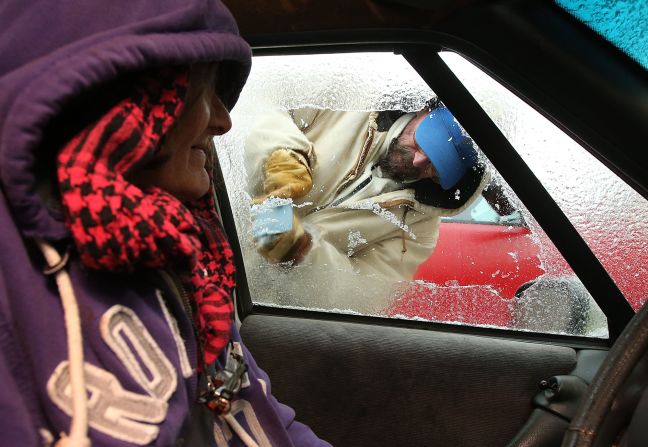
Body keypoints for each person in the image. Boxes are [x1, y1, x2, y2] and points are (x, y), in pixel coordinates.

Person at [0, 1, 330, 446]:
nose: (223, 120)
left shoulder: (178, 239)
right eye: (201, 93)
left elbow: (261, 414)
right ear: (126, 103)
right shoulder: (15, 284)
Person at [245, 100, 489, 290]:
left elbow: (360, 292)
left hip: (253, 300)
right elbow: (265, 106)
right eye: (423, 142)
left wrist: (300, 251)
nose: (418, 161)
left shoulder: (417, 231)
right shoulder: (348, 104)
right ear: (423, 110)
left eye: (434, 167)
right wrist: (282, 154)